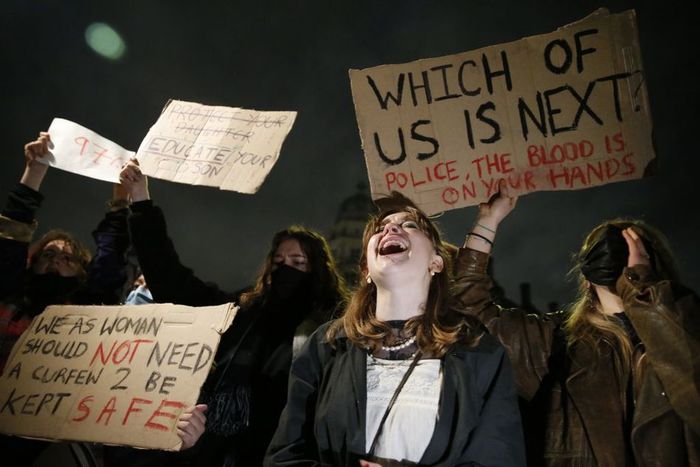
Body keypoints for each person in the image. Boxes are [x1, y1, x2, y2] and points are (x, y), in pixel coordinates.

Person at [115, 159, 348, 466]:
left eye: (298, 263)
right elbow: (173, 280)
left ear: (317, 270)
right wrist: (141, 201)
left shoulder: (333, 328)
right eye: (278, 262)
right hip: (214, 450)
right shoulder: (240, 313)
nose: (285, 270)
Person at [265, 194, 525, 466]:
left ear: (436, 262)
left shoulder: (478, 350)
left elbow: (499, 456)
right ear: (367, 270)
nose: (390, 228)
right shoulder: (327, 345)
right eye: (380, 228)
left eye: (410, 225)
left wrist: (487, 222)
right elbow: (283, 457)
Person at [456, 180, 700, 466]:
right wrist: (488, 221)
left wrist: (643, 289)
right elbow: (468, 310)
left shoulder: (686, 331)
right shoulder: (554, 344)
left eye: (637, 250)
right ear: (586, 276)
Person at [0, 132, 207, 465]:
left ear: (81, 272)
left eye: (67, 258)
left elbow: (110, 255)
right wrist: (34, 171)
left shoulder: (85, 306)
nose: (56, 260)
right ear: (32, 261)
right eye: (48, 254)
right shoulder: (9, 295)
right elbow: (11, 235)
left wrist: (121, 199)